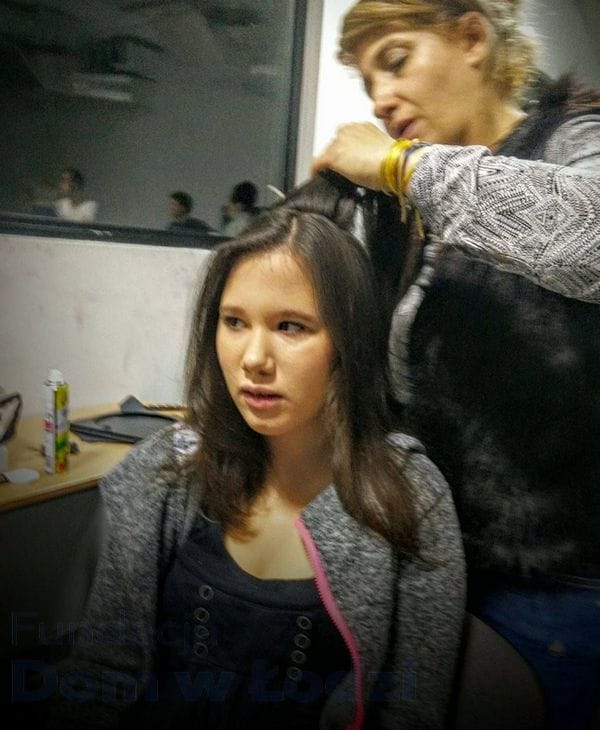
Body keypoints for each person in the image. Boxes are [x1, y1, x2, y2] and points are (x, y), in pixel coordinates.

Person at [47, 172, 465, 729]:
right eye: (234, 323)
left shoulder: (409, 496)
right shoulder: (168, 470)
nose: (254, 359)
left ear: (349, 340)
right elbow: (102, 668)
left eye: (291, 326)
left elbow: (409, 712)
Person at [311, 2, 600, 728]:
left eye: (396, 61)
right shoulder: (412, 208)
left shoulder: (573, 138)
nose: (380, 99)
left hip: (567, 588)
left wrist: (398, 165)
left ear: (472, 37)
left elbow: (592, 236)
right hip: (446, 576)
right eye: (368, 81)